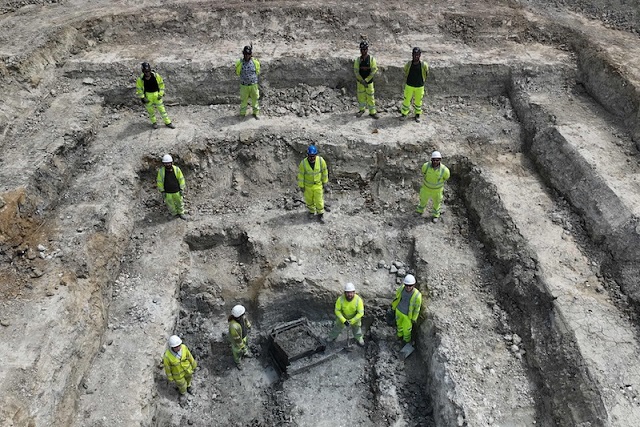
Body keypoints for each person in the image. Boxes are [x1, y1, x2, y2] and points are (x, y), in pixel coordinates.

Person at [136, 62, 175, 129]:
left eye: (148, 71)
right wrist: (143, 98)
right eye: (146, 71)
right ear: (143, 71)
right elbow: (139, 89)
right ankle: (154, 122)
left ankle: (168, 122)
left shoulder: (156, 76)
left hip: (157, 95)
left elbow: (161, 84)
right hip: (148, 96)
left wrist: (160, 94)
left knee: (162, 110)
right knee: (150, 111)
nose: (147, 73)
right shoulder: (140, 79)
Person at [297, 144, 329, 224]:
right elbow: (301, 175)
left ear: (316, 155)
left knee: (319, 200)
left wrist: (325, 182)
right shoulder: (303, 163)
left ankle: (320, 214)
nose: (312, 158)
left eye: (313, 156)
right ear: (307, 155)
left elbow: (324, 172)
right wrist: (301, 186)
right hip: (308, 186)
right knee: (309, 200)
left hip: (318, 185)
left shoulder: (321, 161)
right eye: (310, 156)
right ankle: (311, 211)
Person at [416, 151, 450, 223]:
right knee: (423, 200)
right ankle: (420, 210)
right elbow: (423, 172)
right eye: (434, 160)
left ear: (440, 160)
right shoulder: (426, 166)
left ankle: (435, 215)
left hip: (437, 191)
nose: (435, 161)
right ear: (431, 159)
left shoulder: (444, 170)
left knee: (437, 203)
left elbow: (446, 177)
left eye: (437, 160)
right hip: (426, 189)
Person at [391, 274, 423, 345]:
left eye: (410, 285)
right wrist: (393, 307)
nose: (408, 287)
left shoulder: (417, 296)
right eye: (406, 285)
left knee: (407, 330)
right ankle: (399, 336)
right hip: (399, 310)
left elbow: (417, 309)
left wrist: (414, 318)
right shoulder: (401, 288)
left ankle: (406, 341)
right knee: (399, 325)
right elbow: (397, 297)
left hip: (407, 315)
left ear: (413, 285)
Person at [400, 47, 429, 123]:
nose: (416, 56)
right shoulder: (409, 64)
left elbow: (426, 73)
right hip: (409, 85)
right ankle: (404, 113)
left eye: (417, 55)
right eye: (414, 55)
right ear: (412, 55)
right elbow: (405, 71)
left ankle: (417, 114)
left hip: (419, 86)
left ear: (420, 55)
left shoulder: (423, 65)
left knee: (418, 101)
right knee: (406, 100)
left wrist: (422, 81)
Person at [156, 154, 187, 220]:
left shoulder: (176, 169)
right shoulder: (161, 171)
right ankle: (173, 213)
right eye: (166, 163)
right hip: (167, 192)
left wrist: (182, 189)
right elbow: (159, 182)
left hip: (177, 190)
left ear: (171, 162)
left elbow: (181, 179)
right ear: (163, 164)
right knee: (170, 204)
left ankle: (181, 213)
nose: (167, 165)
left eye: (168, 163)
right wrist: (162, 191)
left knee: (179, 202)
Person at [354, 41, 379, 119]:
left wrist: (367, 80)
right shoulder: (358, 60)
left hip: (369, 83)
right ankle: (362, 110)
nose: (363, 51)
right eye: (362, 49)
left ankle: (372, 112)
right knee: (361, 97)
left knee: (370, 97)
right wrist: (361, 80)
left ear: (367, 49)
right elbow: (356, 71)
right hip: (360, 83)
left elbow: (374, 70)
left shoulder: (371, 60)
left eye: (365, 49)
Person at [235, 45, 261, 119]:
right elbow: (237, 72)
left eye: (248, 54)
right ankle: (242, 114)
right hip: (244, 86)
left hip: (253, 85)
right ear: (243, 54)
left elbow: (257, 71)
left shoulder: (255, 62)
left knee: (255, 99)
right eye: (245, 54)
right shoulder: (239, 63)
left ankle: (256, 113)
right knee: (244, 100)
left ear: (251, 54)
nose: (247, 56)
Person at [228, 304, 252, 370]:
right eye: (243, 313)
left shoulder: (242, 317)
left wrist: (249, 325)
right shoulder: (233, 326)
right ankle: (237, 362)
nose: (244, 314)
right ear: (239, 316)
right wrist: (242, 346)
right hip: (237, 342)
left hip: (244, 336)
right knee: (237, 352)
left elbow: (246, 320)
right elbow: (237, 339)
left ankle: (245, 353)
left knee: (246, 345)